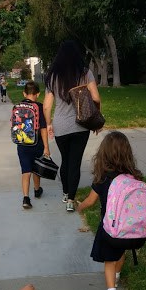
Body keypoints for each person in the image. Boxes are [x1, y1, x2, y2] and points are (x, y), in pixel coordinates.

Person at [77, 132, 146, 290]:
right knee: (120, 253)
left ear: (103, 154)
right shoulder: (134, 178)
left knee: (109, 260)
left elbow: (90, 200)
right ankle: (116, 277)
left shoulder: (103, 179)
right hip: (128, 229)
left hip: (110, 229)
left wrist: (80, 207)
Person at [43, 40, 101, 212]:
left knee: (66, 160)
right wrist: (96, 119)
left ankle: (65, 193)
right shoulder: (85, 73)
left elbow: (46, 105)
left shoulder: (53, 76)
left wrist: (49, 123)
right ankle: (71, 200)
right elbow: (96, 98)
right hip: (81, 125)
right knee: (75, 162)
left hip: (60, 126)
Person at [15, 80, 50, 209]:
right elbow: (43, 128)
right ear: (38, 94)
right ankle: (36, 190)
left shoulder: (18, 106)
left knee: (26, 171)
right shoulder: (39, 107)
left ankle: (25, 198)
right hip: (37, 143)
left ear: (24, 93)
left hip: (22, 143)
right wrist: (46, 146)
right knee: (36, 168)